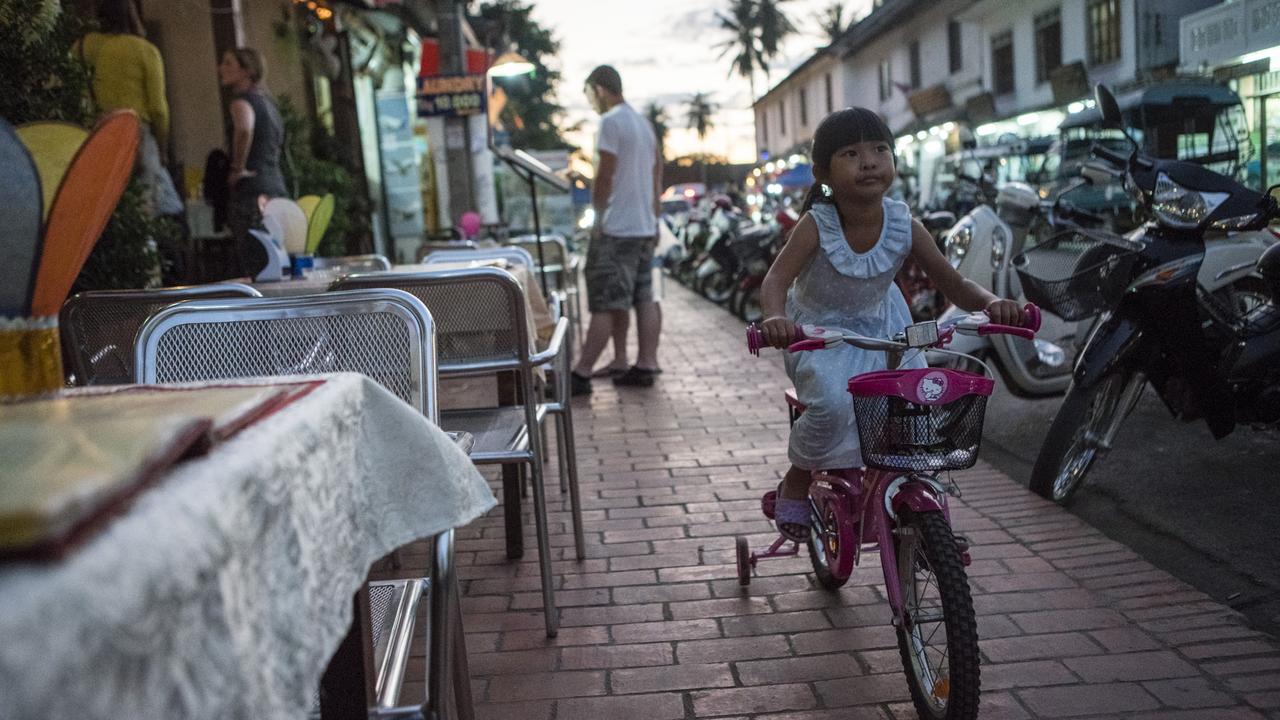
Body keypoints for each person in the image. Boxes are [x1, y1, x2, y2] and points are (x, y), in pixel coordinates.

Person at [757, 108, 1023, 541]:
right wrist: (775, 319)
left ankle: (908, 500)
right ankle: (798, 478)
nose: (869, 161)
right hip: (820, 335)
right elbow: (776, 282)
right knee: (831, 405)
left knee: (918, 402)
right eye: (851, 153)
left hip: (886, 330)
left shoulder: (904, 224)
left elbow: (953, 283)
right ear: (822, 172)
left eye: (880, 149)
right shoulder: (815, 226)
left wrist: (994, 304)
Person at [570, 65, 663, 396]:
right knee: (643, 296)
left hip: (616, 228)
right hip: (641, 227)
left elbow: (605, 175)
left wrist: (597, 217)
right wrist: (654, 220)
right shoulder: (644, 125)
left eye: (589, 95)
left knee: (606, 301)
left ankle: (580, 373)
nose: (591, 103)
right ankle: (641, 363)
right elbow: (655, 177)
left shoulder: (610, 123)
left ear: (599, 89)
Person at [75, 0, 183, 221]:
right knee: (142, 211)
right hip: (136, 135)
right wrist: (162, 147)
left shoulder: (81, 47)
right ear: (132, 15)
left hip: (93, 134)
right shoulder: (144, 50)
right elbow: (158, 109)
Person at [217, 47, 288, 278]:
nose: (221, 69)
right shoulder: (268, 103)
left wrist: (238, 167)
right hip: (275, 187)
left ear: (246, 70)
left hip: (251, 192)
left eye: (228, 63)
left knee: (257, 263)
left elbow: (244, 128)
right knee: (277, 260)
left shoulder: (241, 101)